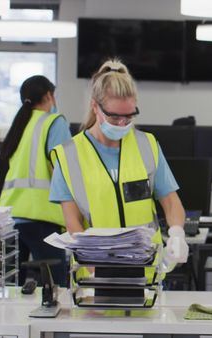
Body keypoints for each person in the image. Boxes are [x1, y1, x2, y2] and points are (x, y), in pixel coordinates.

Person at [49, 59, 188, 280]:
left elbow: (171, 201)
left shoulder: (147, 145)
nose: (122, 123)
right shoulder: (68, 155)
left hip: (147, 272)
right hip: (94, 275)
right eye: (114, 116)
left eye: (129, 116)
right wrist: (94, 263)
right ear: (95, 106)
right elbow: (72, 221)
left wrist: (177, 233)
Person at [0, 75, 72, 286]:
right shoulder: (54, 122)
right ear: (49, 95)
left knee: (12, 287)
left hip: (12, 217)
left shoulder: (20, 125)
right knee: (56, 287)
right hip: (42, 216)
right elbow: (64, 170)